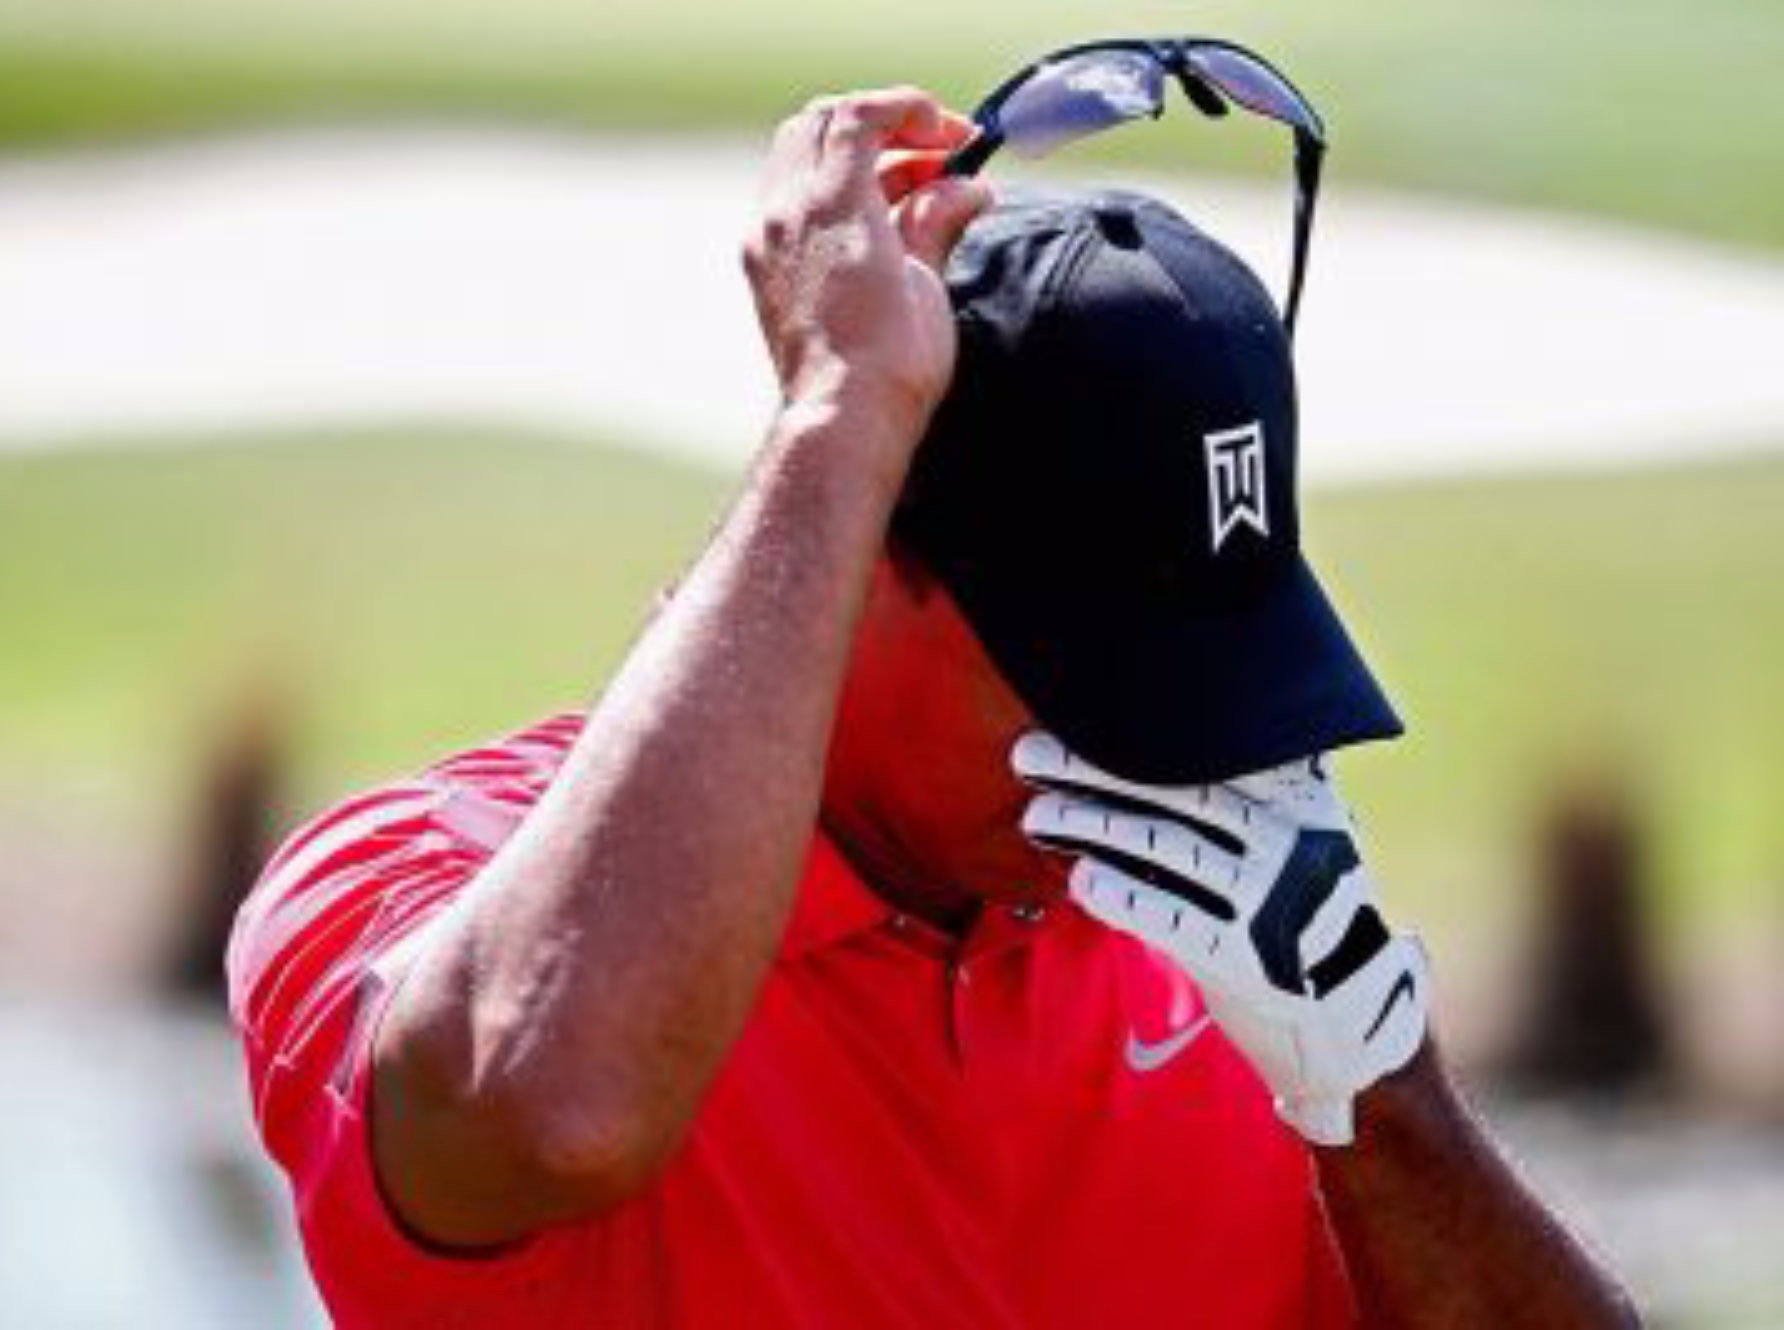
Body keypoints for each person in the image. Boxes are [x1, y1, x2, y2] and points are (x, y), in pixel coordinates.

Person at [227, 87, 1639, 1327]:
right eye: (1100, 671)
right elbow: (555, 1105)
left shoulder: (1227, 957)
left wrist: (1386, 1098)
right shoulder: (411, 874)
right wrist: (841, 406)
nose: (1164, 748)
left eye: (1205, 676)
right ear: (868, 550)